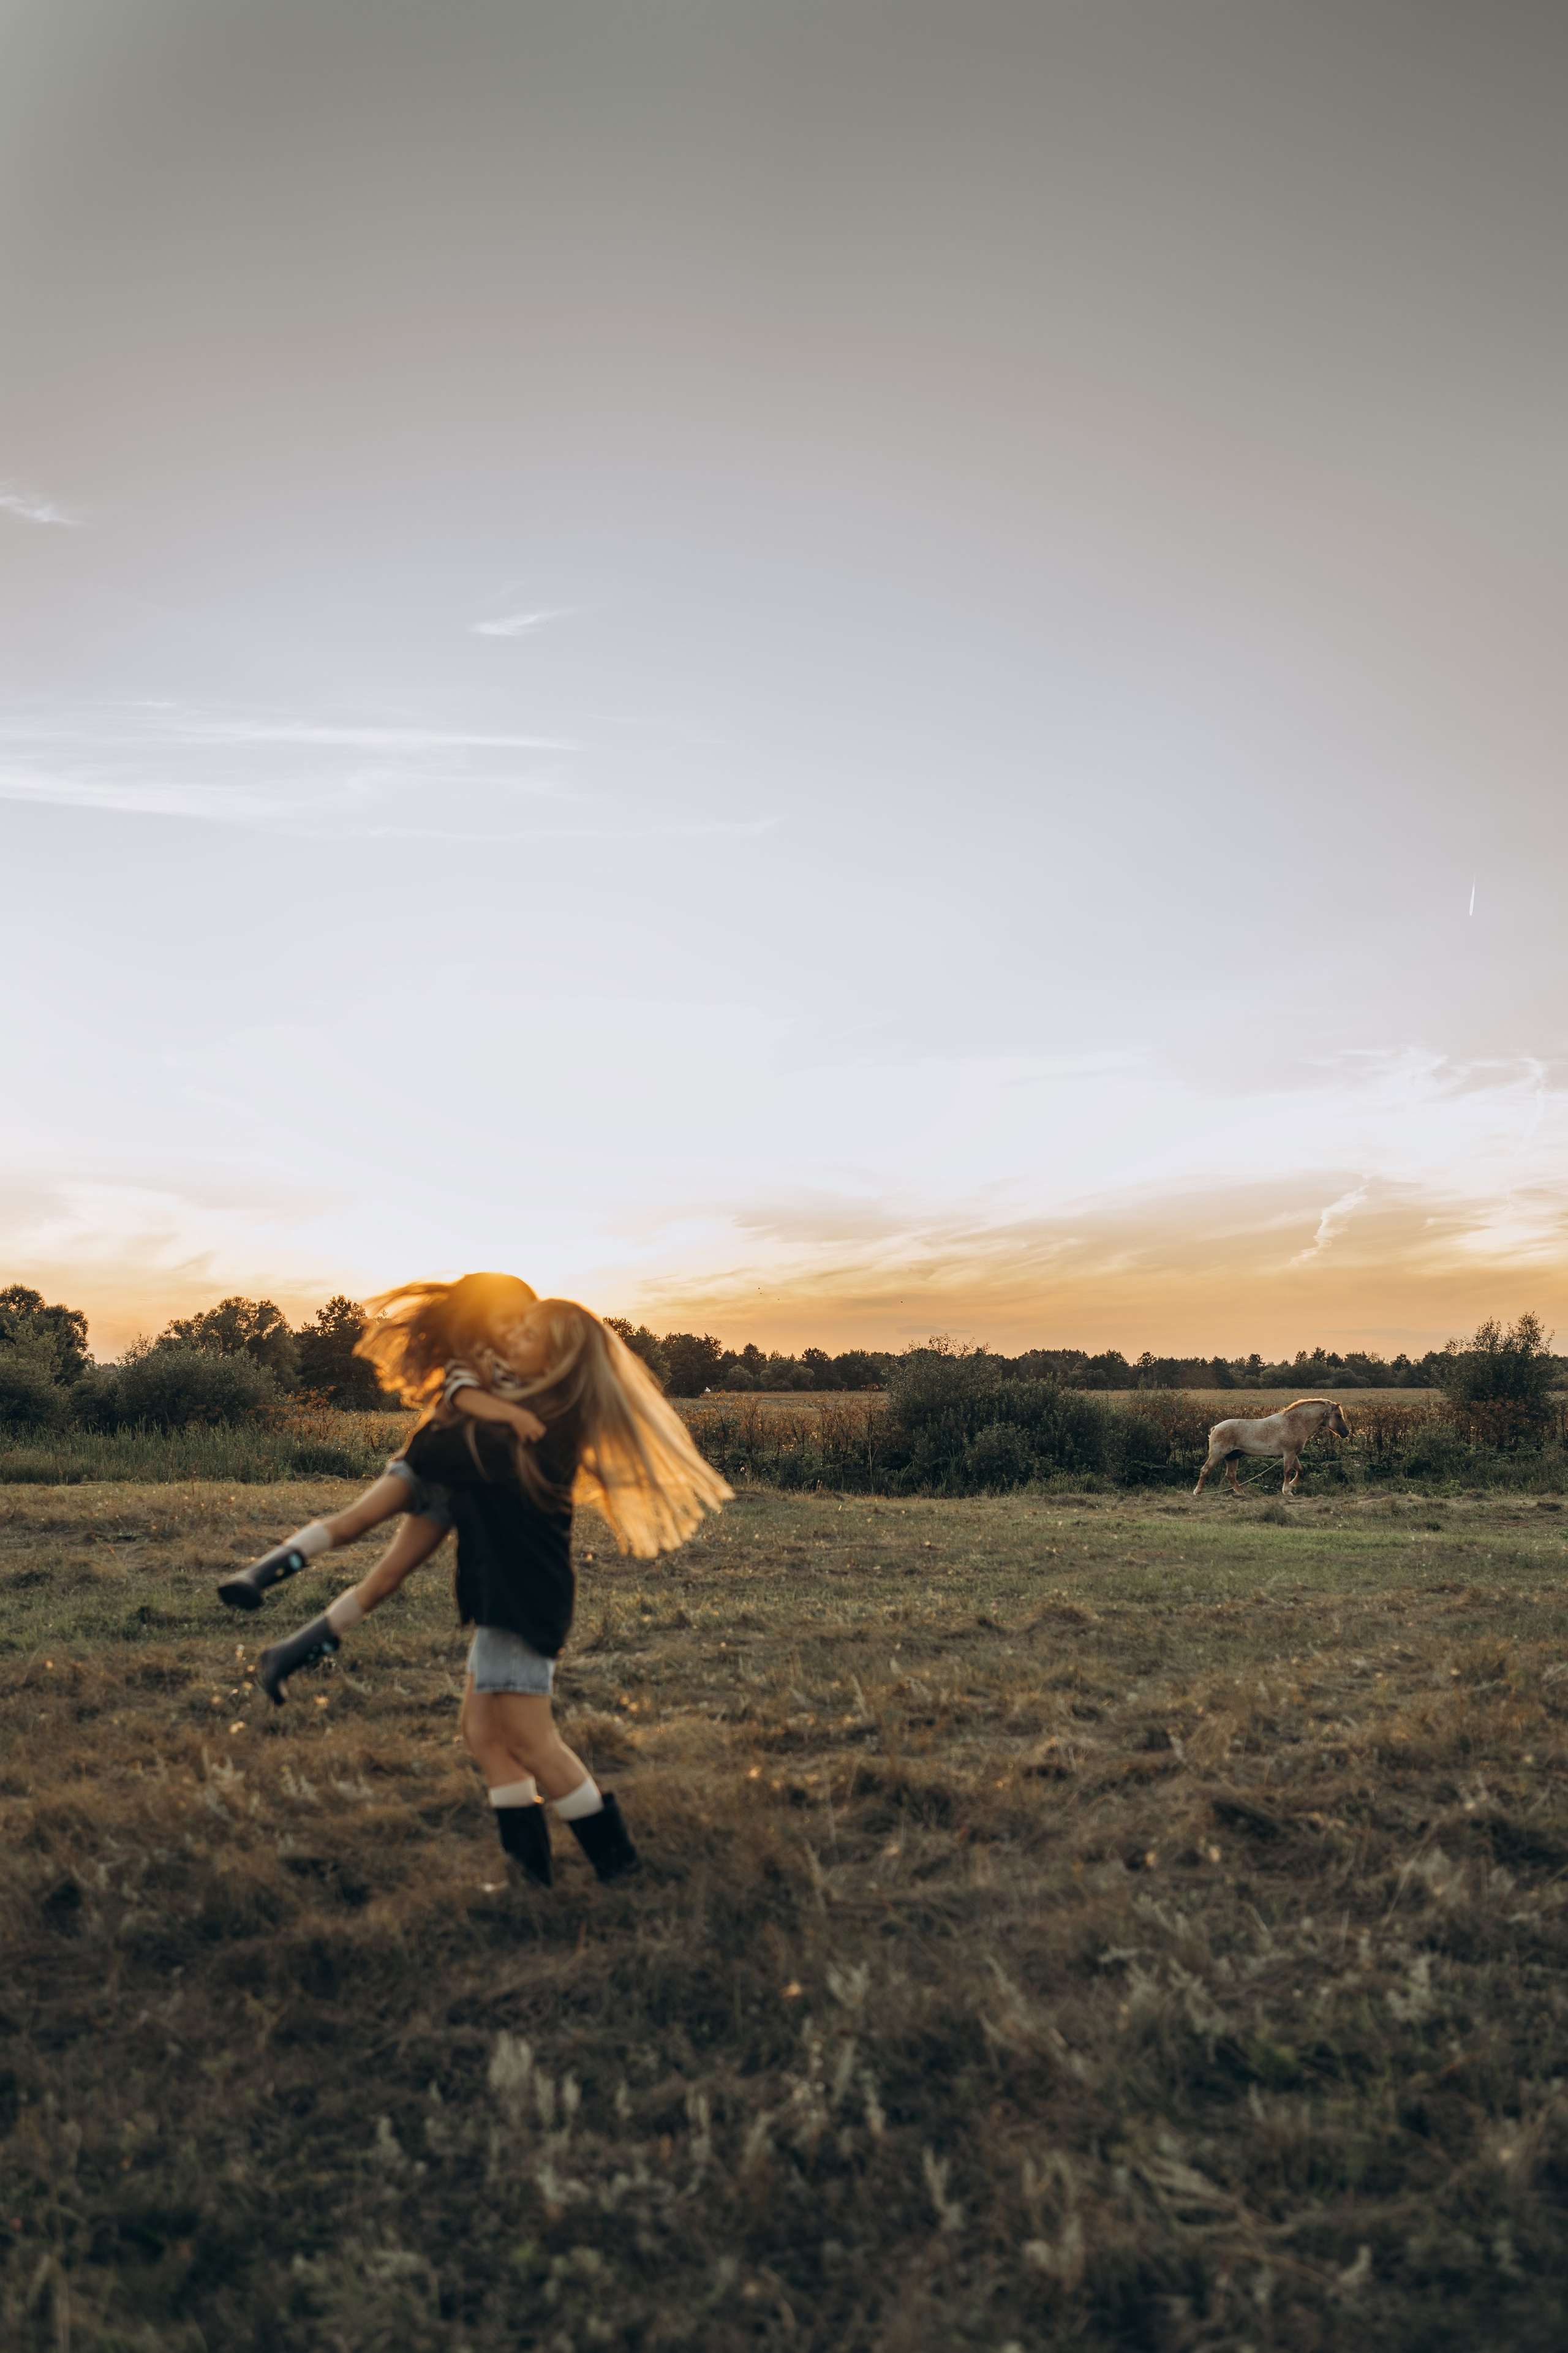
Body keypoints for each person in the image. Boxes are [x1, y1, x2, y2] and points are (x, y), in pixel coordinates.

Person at [251, 1290, 732, 1889]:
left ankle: (620, 1867)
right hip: (505, 1599)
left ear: (557, 1363)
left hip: (520, 1605)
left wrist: (461, 1402)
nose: (513, 1342)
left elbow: (429, 1451)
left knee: (533, 1740)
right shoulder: (531, 1416)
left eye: (529, 1339)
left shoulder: (530, 1433)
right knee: (482, 1733)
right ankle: (529, 1874)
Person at [217, 1271, 542, 1612]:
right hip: (418, 1470)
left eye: (525, 1319)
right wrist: (515, 1415)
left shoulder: (521, 1367)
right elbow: (463, 1396)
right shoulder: (470, 1360)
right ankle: (255, 1575)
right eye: (507, 1318)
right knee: (352, 1524)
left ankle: (293, 1651)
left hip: (457, 1490)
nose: (517, 1327)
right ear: (480, 1321)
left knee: (388, 1579)